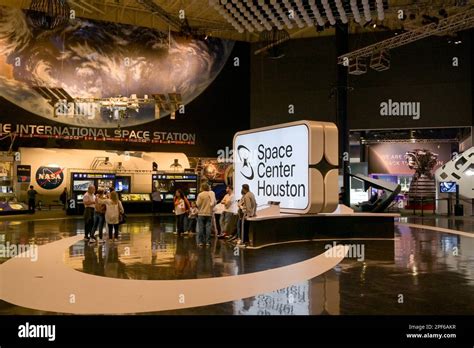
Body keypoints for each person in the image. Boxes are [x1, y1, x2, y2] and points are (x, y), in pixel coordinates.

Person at [196, 183, 216, 247]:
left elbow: (198, 204)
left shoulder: (200, 195)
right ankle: (208, 242)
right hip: (209, 213)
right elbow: (213, 202)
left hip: (201, 213)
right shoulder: (210, 194)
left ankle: (200, 242)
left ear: (202, 188)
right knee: (208, 228)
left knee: (201, 228)